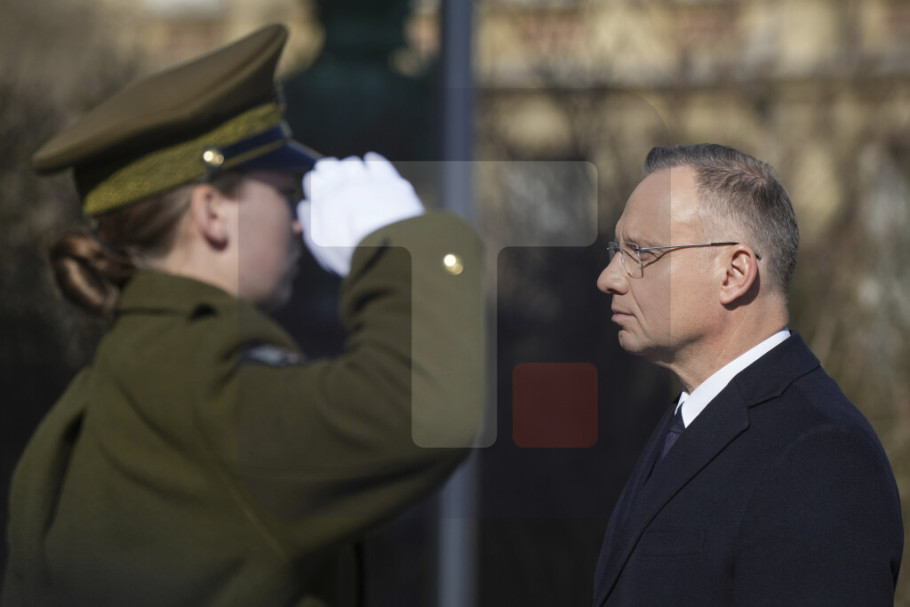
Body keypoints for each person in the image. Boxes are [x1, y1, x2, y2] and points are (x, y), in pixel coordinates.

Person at [1, 24, 485, 607]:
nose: (298, 221)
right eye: (283, 192)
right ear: (213, 213)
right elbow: (425, 411)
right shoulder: (198, 386)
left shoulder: (115, 389)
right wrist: (404, 246)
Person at [592, 144, 903, 605]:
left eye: (641, 252)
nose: (609, 277)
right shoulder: (684, 421)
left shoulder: (820, 455)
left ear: (734, 272)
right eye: (618, 249)